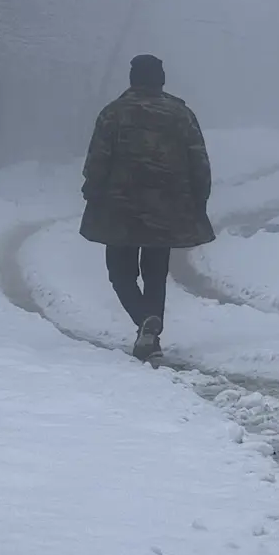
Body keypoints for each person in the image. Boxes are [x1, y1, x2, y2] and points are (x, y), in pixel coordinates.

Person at [79, 54, 215, 363]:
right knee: (156, 274)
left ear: (133, 79)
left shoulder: (113, 113)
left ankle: (144, 321)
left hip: (119, 208)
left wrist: (92, 191)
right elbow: (199, 161)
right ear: (160, 80)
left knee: (120, 274)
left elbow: (98, 159)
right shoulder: (181, 115)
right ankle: (150, 332)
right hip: (166, 208)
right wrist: (199, 200)